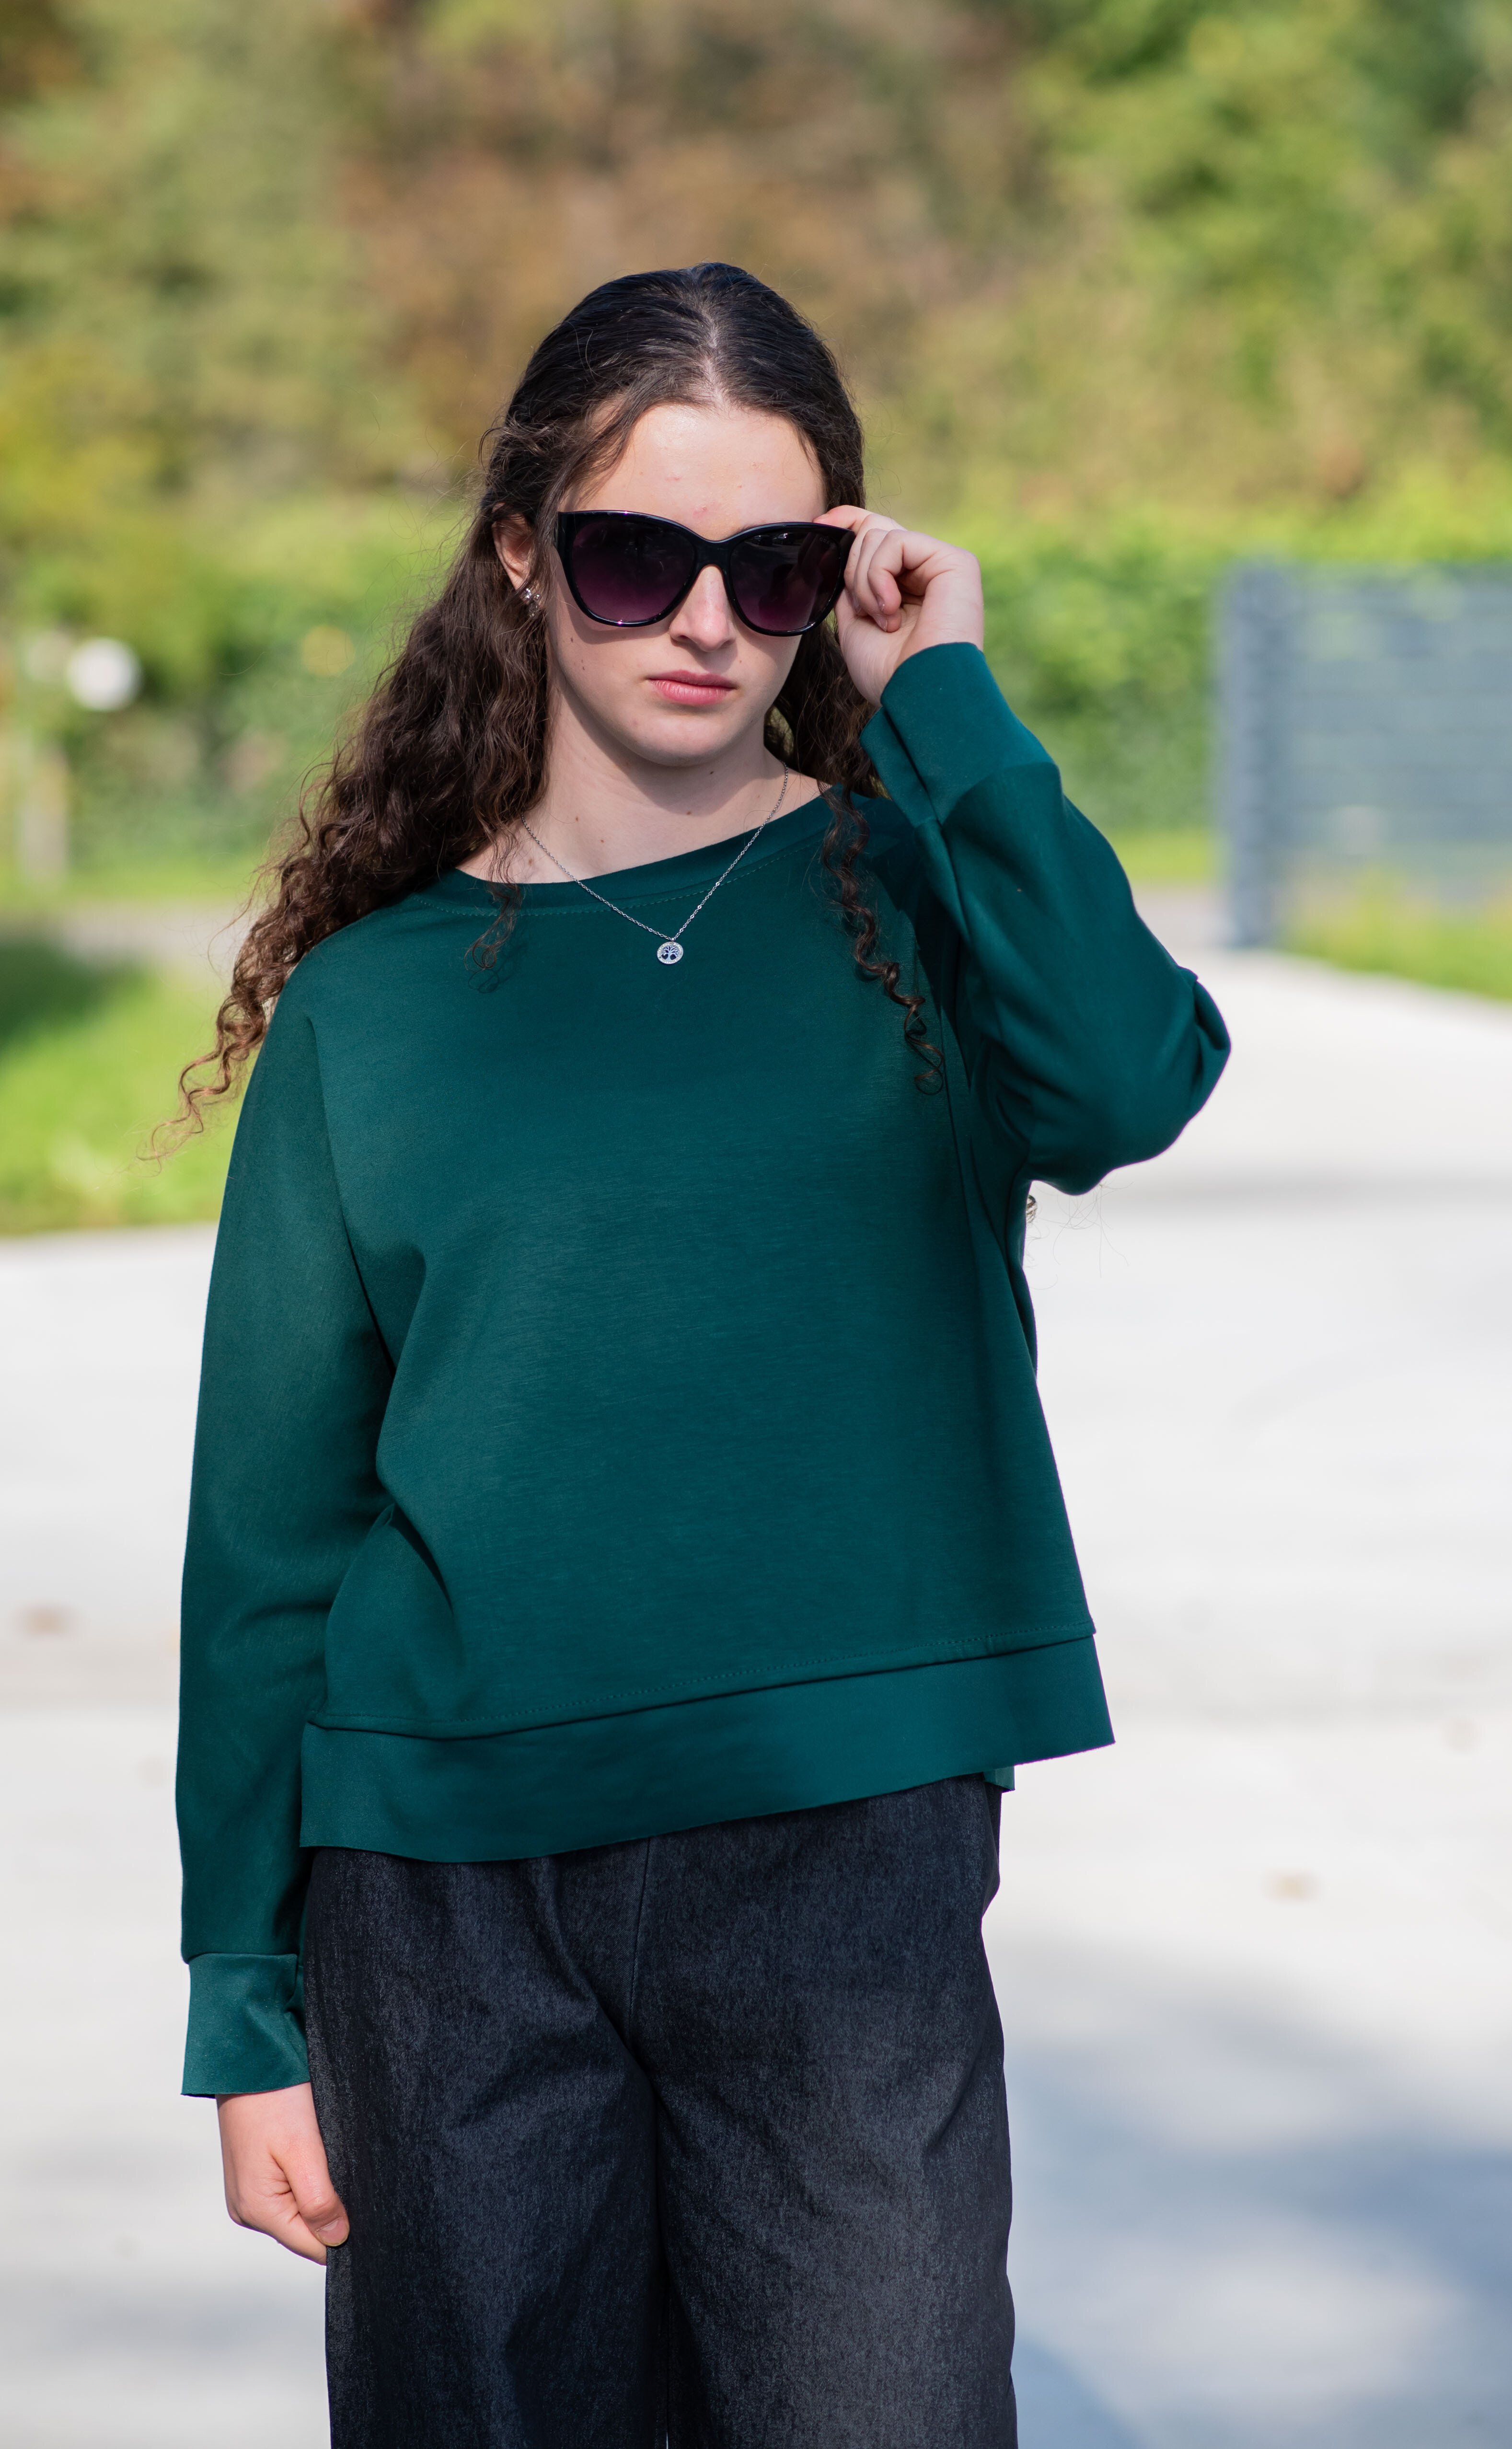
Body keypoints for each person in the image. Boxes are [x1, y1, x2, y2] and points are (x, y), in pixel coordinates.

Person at [175, 261, 1228, 2446]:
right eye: (635, 555)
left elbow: (1131, 1080)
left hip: (844, 1848)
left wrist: (947, 698)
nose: (704, 621)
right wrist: (246, 2004)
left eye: (773, 569)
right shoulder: (371, 1007)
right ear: (519, 553)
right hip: (446, 1891)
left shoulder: (916, 896)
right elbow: (270, 1536)